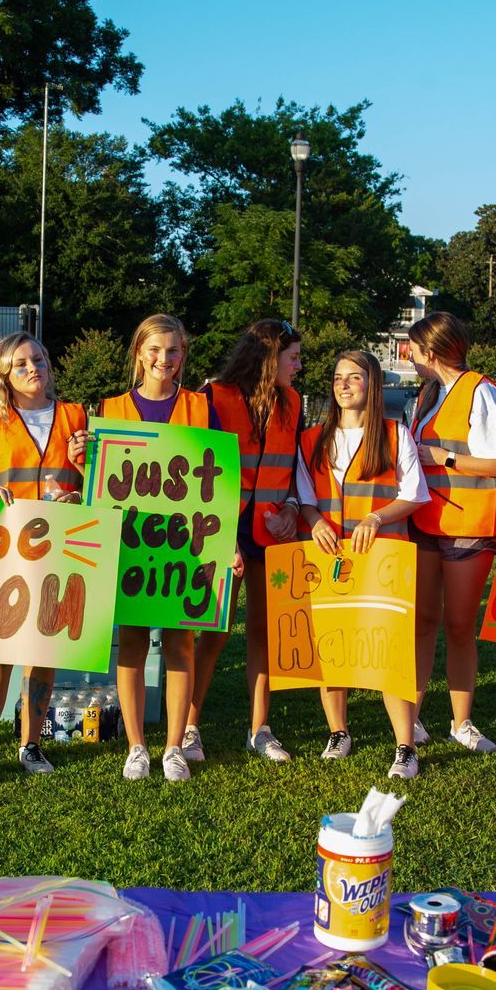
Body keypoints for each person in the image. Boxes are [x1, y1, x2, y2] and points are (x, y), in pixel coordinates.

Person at [0, 332, 87, 787]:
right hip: (5, 549)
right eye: (21, 364)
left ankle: (31, 743)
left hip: (57, 550)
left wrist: (84, 471)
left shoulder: (77, 417)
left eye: (39, 359)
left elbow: (100, 488)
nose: (33, 369)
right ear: (3, 374)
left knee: (43, 653)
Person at [294, 349, 428, 778]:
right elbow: (304, 498)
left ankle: (405, 746)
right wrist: (313, 521)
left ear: (372, 385)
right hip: (329, 557)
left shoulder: (394, 433)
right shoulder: (312, 438)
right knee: (331, 648)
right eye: (338, 377)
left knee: (388, 651)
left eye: (354, 377)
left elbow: (414, 494)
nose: (344, 384)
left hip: (382, 558)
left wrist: (377, 516)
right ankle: (338, 731)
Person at [96, 314, 211, 783]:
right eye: (156, 350)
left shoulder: (201, 407)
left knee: (181, 641)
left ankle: (174, 746)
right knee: (134, 642)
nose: (164, 359)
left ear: (183, 355)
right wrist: (86, 454)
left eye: (174, 351)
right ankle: (136, 745)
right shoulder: (111, 408)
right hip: (131, 545)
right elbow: (97, 483)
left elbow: (215, 479)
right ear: (139, 351)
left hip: (185, 543)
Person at [189, 320, 303, 762]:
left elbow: (295, 471)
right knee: (211, 629)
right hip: (222, 528)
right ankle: (189, 726)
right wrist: (220, 535)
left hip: (272, 528)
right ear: (269, 357)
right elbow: (199, 470)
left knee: (264, 631)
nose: (298, 365)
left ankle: (260, 728)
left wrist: (291, 509)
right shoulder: (213, 397)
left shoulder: (292, 401)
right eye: (292, 357)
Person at [406, 312, 496, 755]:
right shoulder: (428, 394)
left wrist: (444, 458)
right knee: (423, 622)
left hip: (468, 527)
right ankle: (409, 719)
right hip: (428, 522)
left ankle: (462, 722)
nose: (408, 357)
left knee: (459, 627)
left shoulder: (481, 392)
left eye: (412, 349)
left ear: (430, 353)